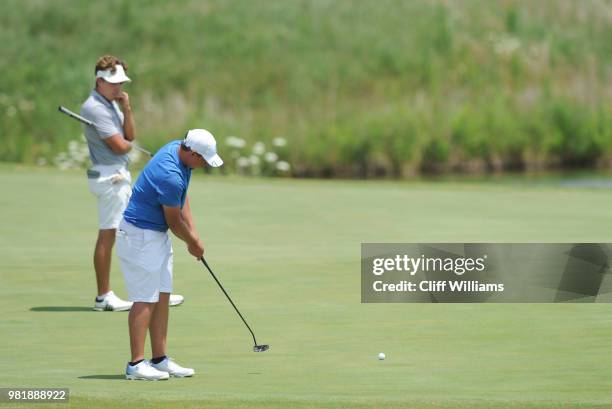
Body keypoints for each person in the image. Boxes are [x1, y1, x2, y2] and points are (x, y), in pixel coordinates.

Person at [116, 129, 223, 380]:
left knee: (162, 295)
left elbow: (181, 199)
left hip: (155, 235)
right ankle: (136, 365)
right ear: (193, 153)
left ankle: (160, 359)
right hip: (140, 235)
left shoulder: (179, 149)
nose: (206, 164)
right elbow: (174, 221)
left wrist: (194, 236)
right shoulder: (170, 174)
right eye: (204, 159)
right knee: (146, 298)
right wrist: (191, 243)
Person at [81, 55, 184, 311]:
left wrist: (126, 108)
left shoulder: (112, 102)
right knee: (110, 234)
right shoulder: (94, 107)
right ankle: (104, 296)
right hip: (109, 177)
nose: (119, 88)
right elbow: (118, 146)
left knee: (125, 233)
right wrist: (126, 145)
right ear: (99, 81)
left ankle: (152, 291)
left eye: (121, 83)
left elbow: (130, 136)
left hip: (117, 173)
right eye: (113, 83)